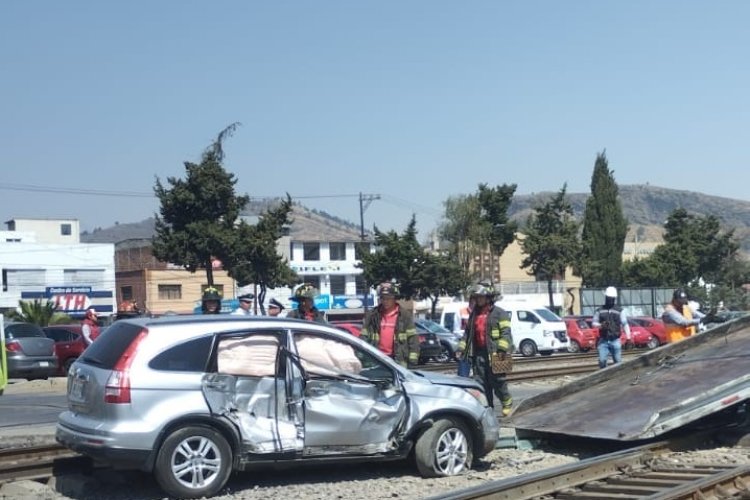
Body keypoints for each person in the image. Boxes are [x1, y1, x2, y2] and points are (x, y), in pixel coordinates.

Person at [456, 280, 514, 416]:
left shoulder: (500, 313)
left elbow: (506, 333)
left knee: (499, 381)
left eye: (481, 297)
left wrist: (501, 348)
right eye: (477, 297)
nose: (478, 300)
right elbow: (467, 334)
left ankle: (507, 402)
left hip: (499, 353)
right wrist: (461, 348)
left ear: (489, 298)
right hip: (480, 354)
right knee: (481, 383)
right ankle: (489, 409)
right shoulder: (474, 314)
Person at [361, 281, 420, 368]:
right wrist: (362, 357)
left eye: (388, 298)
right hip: (376, 359)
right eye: (383, 298)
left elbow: (413, 339)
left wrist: (412, 360)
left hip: (398, 360)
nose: (385, 301)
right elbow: (363, 337)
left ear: (394, 298)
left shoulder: (404, 315)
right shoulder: (372, 315)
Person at [592, 286, 631, 369]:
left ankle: (618, 377)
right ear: (606, 297)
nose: (610, 300)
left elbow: (625, 324)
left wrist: (628, 338)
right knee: (602, 361)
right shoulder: (599, 310)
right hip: (603, 340)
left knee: (618, 362)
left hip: (615, 340)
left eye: (611, 298)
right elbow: (594, 323)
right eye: (609, 298)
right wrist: (601, 325)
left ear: (614, 298)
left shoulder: (620, 310)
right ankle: (604, 377)